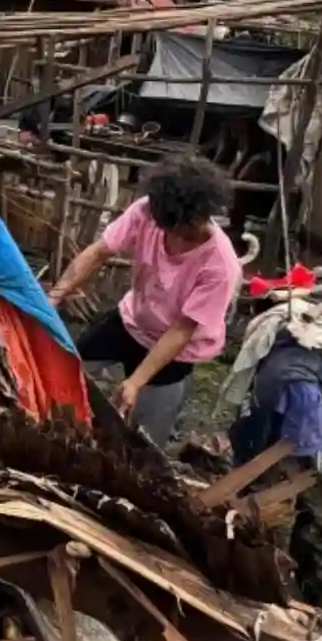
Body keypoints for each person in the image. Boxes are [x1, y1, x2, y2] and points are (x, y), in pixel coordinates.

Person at [48, 154, 241, 446]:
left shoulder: (220, 266)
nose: (170, 235)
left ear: (200, 217)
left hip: (174, 350)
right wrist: (54, 297)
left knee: (145, 439)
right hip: (131, 319)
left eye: (180, 230)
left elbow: (181, 330)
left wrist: (136, 382)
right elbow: (100, 251)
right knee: (67, 368)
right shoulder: (148, 211)